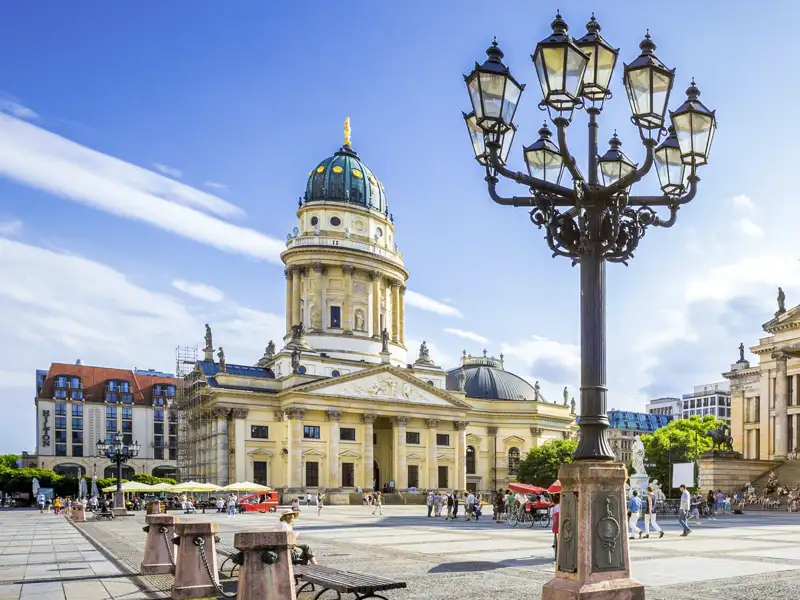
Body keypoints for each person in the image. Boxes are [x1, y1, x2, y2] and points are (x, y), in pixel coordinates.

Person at [552, 493, 561, 562]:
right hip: (561, 524)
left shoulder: (554, 508)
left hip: (555, 525)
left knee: (556, 539)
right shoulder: (562, 506)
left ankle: (556, 555)